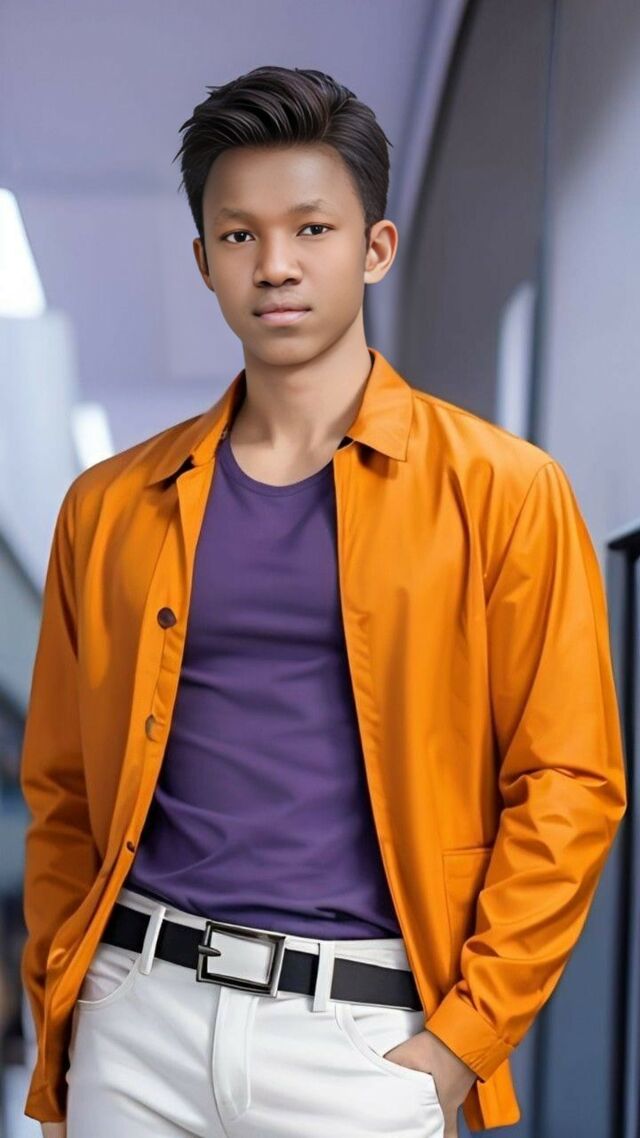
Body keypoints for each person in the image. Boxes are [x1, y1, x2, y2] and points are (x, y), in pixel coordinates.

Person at [21, 65, 627, 1138]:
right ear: (204, 261)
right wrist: (67, 1028)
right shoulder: (109, 506)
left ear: (375, 248)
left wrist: (461, 1041)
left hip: (361, 1037)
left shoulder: (504, 490)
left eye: (312, 228)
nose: (276, 264)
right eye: (239, 235)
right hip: (138, 1017)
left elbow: (569, 781)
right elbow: (63, 793)